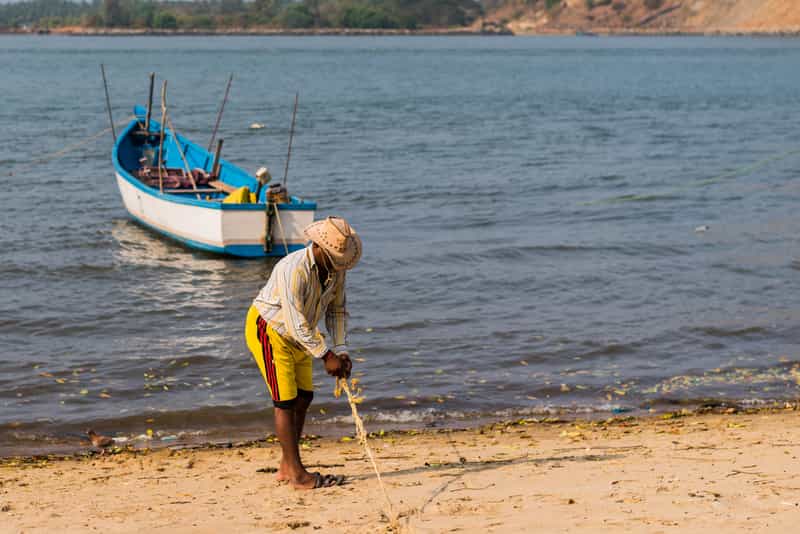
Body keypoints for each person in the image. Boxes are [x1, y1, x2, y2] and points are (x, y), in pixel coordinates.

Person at [245, 216, 361, 489]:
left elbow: (337, 310)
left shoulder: (336, 270)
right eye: (334, 257)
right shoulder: (293, 269)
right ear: (318, 247)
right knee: (285, 401)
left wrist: (341, 350)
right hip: (270, 331)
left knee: (304, 397)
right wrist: (325, 355)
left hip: (302, 336)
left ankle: (288, 465)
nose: (339, 263)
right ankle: (297, 475)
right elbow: (294, 321)